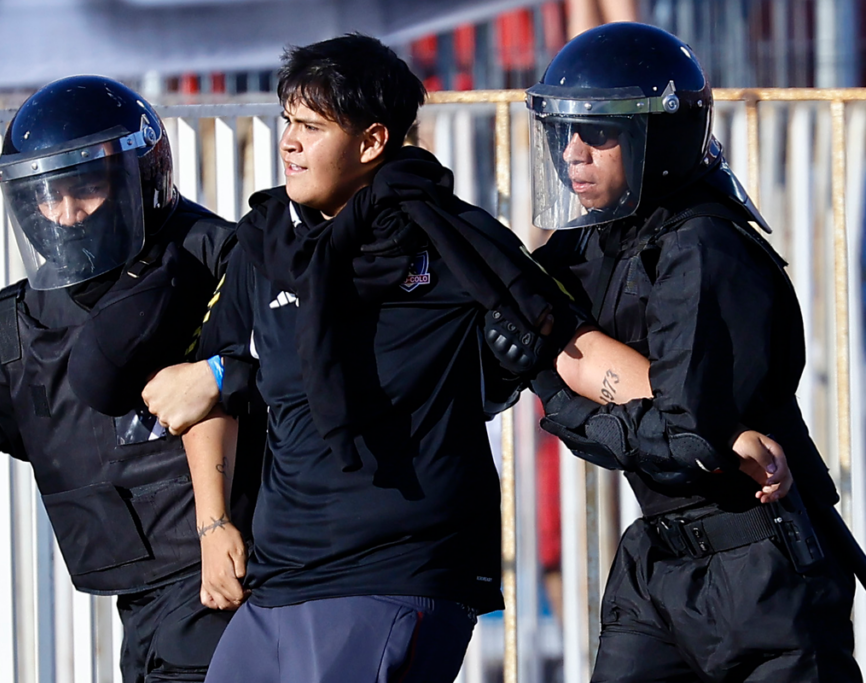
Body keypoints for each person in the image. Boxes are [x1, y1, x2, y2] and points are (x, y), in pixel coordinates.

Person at [138, 33, 703, 683]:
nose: (288, 141)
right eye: (287, 120)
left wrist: (708, 422)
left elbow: (571, 350)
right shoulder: (264, 245)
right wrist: (214, 528)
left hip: (394, 577)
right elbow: (212, 389)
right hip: (277, 582)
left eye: (312, 126)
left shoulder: (450, 242)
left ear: (373, 141)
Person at [0, 75, 262, 683]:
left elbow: (303, 369)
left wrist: (225, 374)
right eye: (48, 196)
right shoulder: (19, 324)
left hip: (233, 587)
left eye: (86, 189)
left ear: (138, 177)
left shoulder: (221, 261)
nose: (66, 214)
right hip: (139, 606)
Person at [520, 22, 862, 682]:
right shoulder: (607, 236)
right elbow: (519, 319)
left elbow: (688, 441)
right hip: (655, 564)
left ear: (660, 138)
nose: (574, 154)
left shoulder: (701, 246)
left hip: (756, 569)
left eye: (601, 132)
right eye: (567, 131)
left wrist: (565, 388)